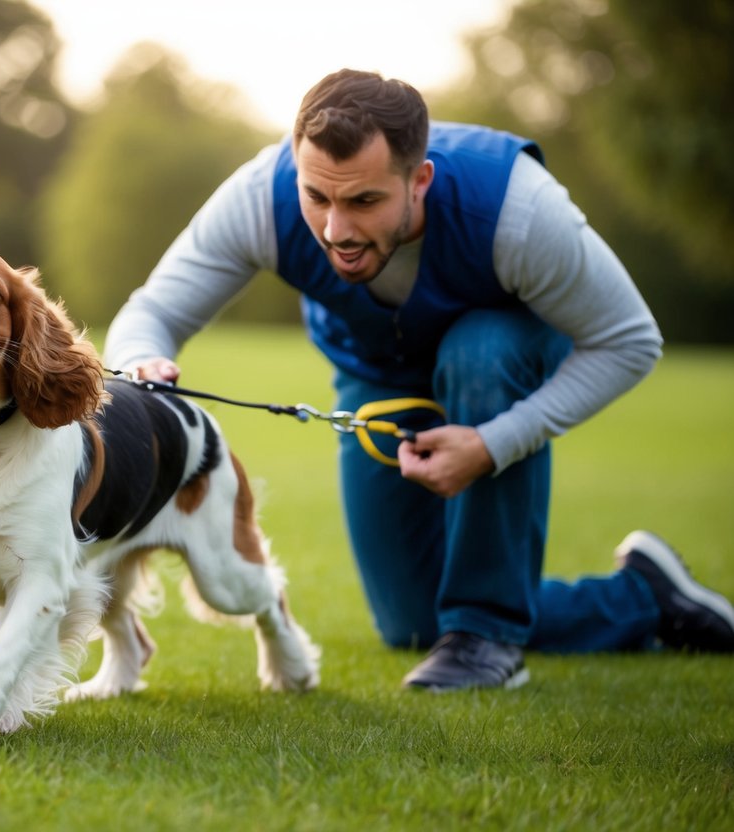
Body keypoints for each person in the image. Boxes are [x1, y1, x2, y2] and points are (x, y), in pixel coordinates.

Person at [103, 68, 734, 691]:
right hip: (376, 375)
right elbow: (150, 313)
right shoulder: (257, 200)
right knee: (412, 622)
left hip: (496, 367)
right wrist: (141, 364)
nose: (335, 230)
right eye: (316, 196)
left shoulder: (517, 209)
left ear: (420, 179)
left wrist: (495, 442)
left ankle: (488, 636)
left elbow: (629, 341)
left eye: (364, 201)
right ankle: (643, 599)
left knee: (480, 349)